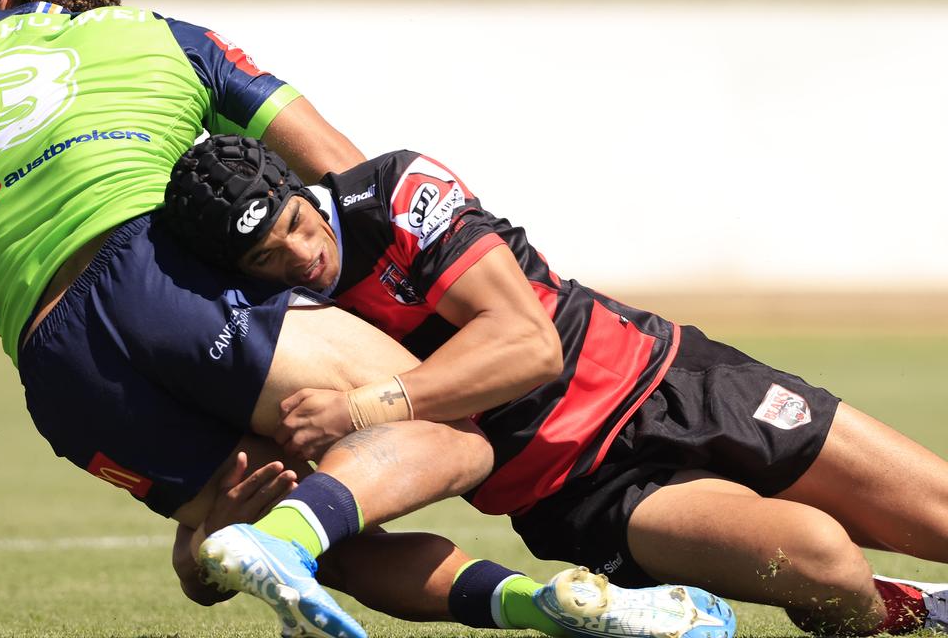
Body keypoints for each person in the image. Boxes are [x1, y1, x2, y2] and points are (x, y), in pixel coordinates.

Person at [0, 0, 734, 638]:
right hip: (163, 277)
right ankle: (278, 543)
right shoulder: (166, 39)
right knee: (449, 427)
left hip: (54, 368)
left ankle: (532, 608)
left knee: (281, 515)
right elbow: (338, 167)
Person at [161, 134, 948, 636]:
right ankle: (898, 609)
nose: (298, 257)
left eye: (295, 225)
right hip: (580, 496)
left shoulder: (395, 192)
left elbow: (528, 347)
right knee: (826, 566)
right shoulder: (273, 331)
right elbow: (227, 517)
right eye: (265, 257)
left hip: (674, 380)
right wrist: (202, 556)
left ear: (302, 189)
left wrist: (362, 407)